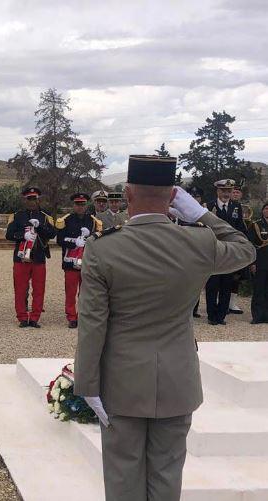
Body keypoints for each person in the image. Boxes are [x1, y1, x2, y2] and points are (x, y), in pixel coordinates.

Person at [73, 155, 256, 501]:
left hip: (121, 380)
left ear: (127, 195)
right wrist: (201, 214)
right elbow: (245, 249)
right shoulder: (198, 242)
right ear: (174, 198)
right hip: (177, 378)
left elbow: (93, 325)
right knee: (167, 476)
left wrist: (87, 383)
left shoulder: (103, 248)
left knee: (123, 477)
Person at [5, 187, 56, 328]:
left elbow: (52, 234)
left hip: (39, 256)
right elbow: (9, 234)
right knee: (20, 289)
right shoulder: (17, 216)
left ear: (38, 199)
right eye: (29, 199)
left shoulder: (45, 217)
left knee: (39, 289)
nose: (32, 202)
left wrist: (40, 227)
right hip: (21, 257)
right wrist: (23, 235)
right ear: (25, 200)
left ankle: (35, 318)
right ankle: (22, 317)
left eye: (34, 199)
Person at [204, 179, 248, 324]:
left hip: (230, 251)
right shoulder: (209, 206)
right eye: (224, 191)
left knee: (226, 285)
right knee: (212, 285)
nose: (227, 194)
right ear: (218, 191)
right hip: (214, 251)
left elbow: (240, 227)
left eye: (229, 191)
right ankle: (212, 316)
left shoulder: (236, 207)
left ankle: (221, 316)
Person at [56, 193, 102, 328]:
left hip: (87, 261)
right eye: (77, 204)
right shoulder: (66, 220)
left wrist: (90, 239)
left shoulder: (92, 220)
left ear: (86, 205)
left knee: (86, 292)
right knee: (70, 291)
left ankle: (83, 315)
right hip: (70, 261)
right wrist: (74, 241)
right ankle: (71, 317)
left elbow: (98, 239)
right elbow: (59, 240)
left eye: (82, 204)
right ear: (73, 205)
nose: (80, 207)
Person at [248, 202, 268, 323]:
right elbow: (251, 245)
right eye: (266, 208)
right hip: (260, 261)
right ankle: (257, 316)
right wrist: (252, 263)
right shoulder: (256, 225)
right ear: (262, 211)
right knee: (259, 290)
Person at [188, 186, 204, 318]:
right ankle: (187, 308)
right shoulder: (183, 211)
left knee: (197, 281)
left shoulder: (204, 212)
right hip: (186, 248)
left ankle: (195, 308)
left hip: (199, 249)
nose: (195, 199)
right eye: (192, 196)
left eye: (197, 196)